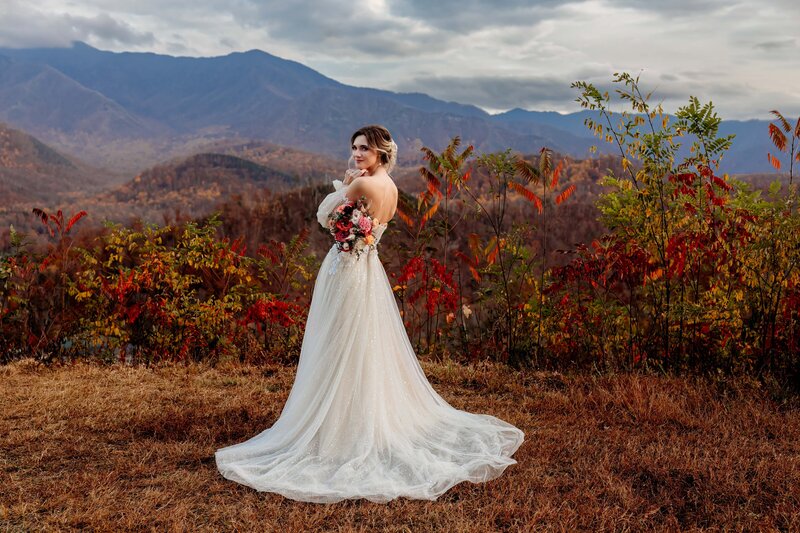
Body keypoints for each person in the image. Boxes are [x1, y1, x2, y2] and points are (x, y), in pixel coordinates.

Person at [215, 125, 524, 503]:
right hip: (368, 268)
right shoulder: (391, 187)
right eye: (354, 148)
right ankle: (355, 418)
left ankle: (338, 428)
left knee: (338, 343)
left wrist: (345, 182)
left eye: (364, 149)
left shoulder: (362, 186)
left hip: (346, 270)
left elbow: (325, 215)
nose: (357, 154)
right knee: (361, 344)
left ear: (380, 152)